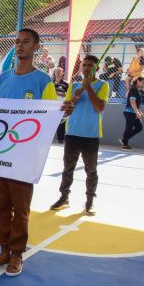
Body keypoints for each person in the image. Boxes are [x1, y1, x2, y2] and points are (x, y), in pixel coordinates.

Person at [0, 29, 59, 277]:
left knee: (21, 207)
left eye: (25, 42)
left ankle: (17, 253)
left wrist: (63, 111)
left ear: (36, 47)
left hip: (25, 156)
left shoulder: (43, 82)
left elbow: (52, 117)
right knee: (0, 205)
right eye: (17, 42)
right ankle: (3, 249)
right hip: (1, 152)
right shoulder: (3, 79)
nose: (20, 46)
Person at [50, 56, 108, 215]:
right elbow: (67, 108)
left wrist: (88, 88)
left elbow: (99, 108)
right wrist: (76, 95)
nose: (87, 68)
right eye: (85, 65)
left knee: (91, 170)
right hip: (72, 133)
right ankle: (64, 198)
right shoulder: (74, 85)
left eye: (91, 65)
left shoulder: (103, 85)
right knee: (68, 168)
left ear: (97, 68)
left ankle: (89, 202)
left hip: (91, 135)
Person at [120, 76, 144, 150]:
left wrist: (139, 112)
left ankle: (124, 139)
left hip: (133, 113)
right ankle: (125, 145)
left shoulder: (137, 90)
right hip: (130, 113)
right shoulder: (133, 90)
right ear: (138, 81)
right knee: (128, 128)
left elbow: (136, 103)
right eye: (143, 82)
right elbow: (132, 102)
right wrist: (137, 113)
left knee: (139, 127)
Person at [53, 67, 69, 143]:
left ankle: (60, 139)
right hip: (51, 106)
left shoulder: (66, 84)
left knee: (61, 123)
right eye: (57, 71)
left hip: (61, 106)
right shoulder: (50, 82)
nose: (58, 73)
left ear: (63, 73)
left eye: (60, 72)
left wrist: (60, 93)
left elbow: (69, 94)